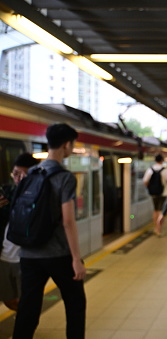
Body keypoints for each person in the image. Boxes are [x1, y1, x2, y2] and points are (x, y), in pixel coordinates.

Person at [12, 123, 87, 339]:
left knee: (28, 308)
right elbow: (68, 221)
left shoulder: (32, 172)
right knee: (75, 304)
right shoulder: (65, 177)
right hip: (58, 254)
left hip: (28, 254)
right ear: (66, 145)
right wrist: (76, 259)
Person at [0, 153, 39, 311]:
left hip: (25, 259)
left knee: (26, 301)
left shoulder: (40, 196)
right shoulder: (6, 194)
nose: (18, 178)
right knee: (8, 300)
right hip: (4, 258)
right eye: (15, 173)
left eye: (24, 174)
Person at [143, 154, 167, 236]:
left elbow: (145, 181)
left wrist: (150, 188)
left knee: (155, 210)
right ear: (162, 160)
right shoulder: (166, 170)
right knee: (161, 211)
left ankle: (156, 228)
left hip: (153, 193)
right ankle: (159, 229)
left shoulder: (150, 169)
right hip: (164, 193)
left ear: (155, 160)